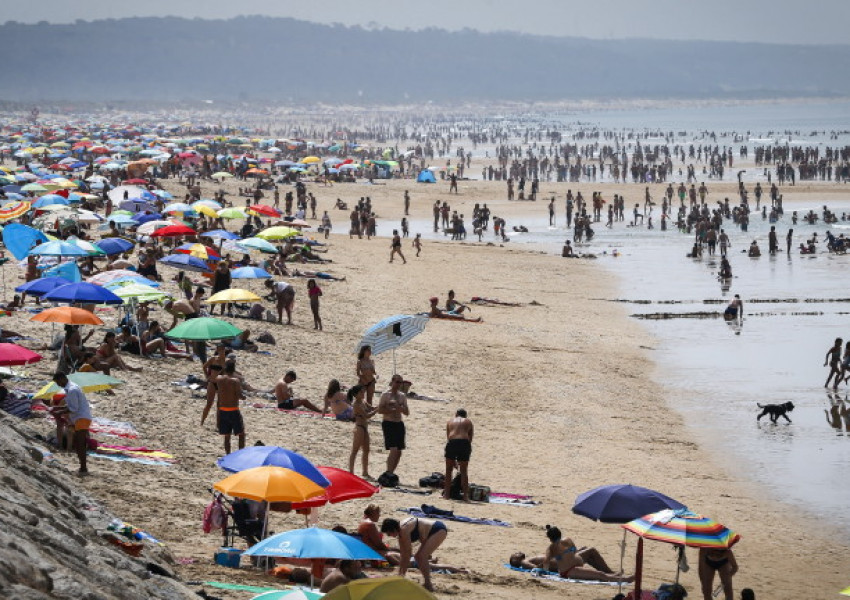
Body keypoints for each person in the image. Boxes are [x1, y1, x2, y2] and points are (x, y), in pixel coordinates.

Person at [542, 525, 632, 582]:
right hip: (570, 571)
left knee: (599, 572)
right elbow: (574, 551)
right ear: (560, 533)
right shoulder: (567, 540)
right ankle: (624, 579)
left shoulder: (551, 548)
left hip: (570, 568)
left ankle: (612, 574)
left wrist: (546, 573)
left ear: (550, 538)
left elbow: (546, 563)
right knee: (600, 575)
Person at [381, 516, 447, 591]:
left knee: (421, 557)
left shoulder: (404, 529)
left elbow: (408, 553)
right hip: (430, 533)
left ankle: (428, 584)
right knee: (418, 557)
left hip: (437, 530)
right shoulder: (400, 532)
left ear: (393, 529)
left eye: (389, 534)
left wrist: (401, 575)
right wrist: (400, 574)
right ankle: (427, 583)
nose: (390, 536)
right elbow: (403, 554)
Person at [52, 372, 91, 474]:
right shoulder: (71, 388)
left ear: (62, 379)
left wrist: (59, 412)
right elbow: (70, 406)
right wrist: (57, 408)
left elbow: (73, 408)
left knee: (80, 443)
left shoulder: (72, 390)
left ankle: (83, 468)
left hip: (81, 418)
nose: (58, 385)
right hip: (79, 418)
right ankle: (82, 467)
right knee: (78, 443)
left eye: (58, 382)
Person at [378, 374, 409, 477]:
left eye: (401, 382)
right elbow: (380, 410)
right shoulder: (385, 395)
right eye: (397, 382)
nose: (399, 384)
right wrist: (390, 409)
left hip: (399, 423)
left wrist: (400, 408)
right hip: (388, 423)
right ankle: (388, 472)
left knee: (399, 451)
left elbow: (407, 412)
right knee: (393, 449)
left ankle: (391, 472)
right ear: (392, 381)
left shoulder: (402, 396)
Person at [213, 361, 246, 455]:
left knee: (227, 436)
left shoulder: (219, 379)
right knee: (241, 434)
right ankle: (240, 453)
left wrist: (223, 369)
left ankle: (228, 454)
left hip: (223, 410)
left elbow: (218, 375)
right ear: (233, 370)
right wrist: (244, 397)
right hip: (233, 410)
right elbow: (239, 395)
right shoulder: (235, 381)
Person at [443, 409, 473, 501]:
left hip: (453, 442)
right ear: (466, 416)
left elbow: (449, 437)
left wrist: (454, 461)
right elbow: (470, 438)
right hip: (464, 443)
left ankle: (446, 495)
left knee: (449, 470)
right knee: (464, 471)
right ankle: (465, 496)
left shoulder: (450, 421)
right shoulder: (469, 422)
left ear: (456, 414)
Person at [349, 384, 378, 477]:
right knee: (355, 450)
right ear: (356, 394)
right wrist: (378, 410)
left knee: (366, 450)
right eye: (361, 392)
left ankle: (365, 472)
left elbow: (372, 408)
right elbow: (367, 415)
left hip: (365, 427)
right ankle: (351, 472)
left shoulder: (363, 401)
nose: (363, 393)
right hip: (359, 428)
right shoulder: (356, 404)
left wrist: (380, 406)